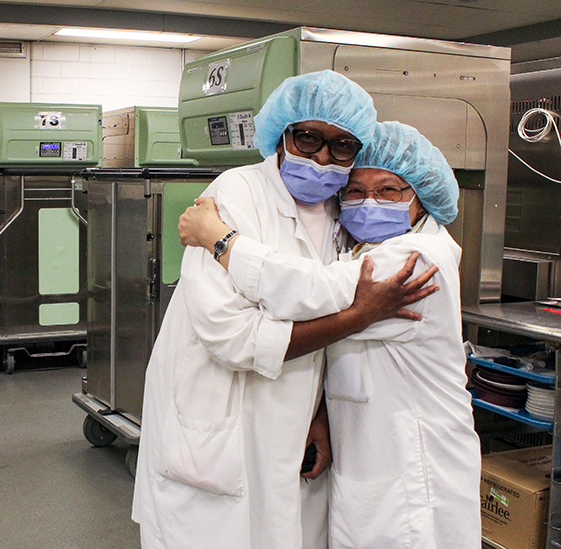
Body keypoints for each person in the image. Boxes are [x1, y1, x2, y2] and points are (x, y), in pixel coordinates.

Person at [131, 71, 437, 549]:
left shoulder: (341, 210)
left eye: (341, 146)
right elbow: (231, 337)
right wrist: (357, 314)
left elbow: (312, 300)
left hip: (293, 423)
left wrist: (318, 415)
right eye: (308, 138)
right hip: (218, 421)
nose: (321, 158)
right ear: (280, 134)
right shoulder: (235, 194)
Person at [179, 121, 480, 548]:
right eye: (355, 192)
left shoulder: (417, 260)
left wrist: (220, 240)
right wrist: (320, 414)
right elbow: (341, 346)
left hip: (417, 470)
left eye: (390, 190)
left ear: (422, 200)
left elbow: (310, 290)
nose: (369, 202)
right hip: (367, 463)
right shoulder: (360, 250)